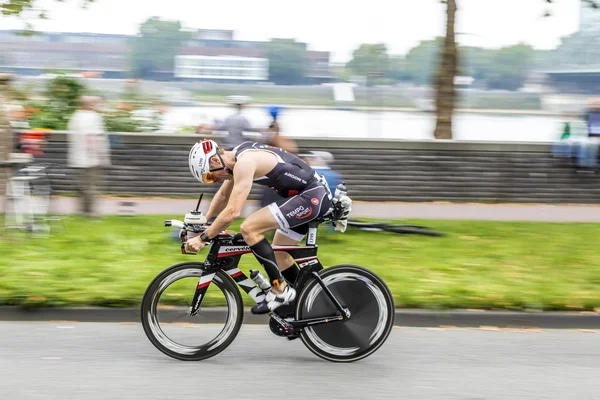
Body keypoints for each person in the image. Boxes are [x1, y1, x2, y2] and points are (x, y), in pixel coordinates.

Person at [185, 139, 332, 314]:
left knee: (249, 228)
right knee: (279, 253)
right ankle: (301, 305)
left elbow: (232, 212)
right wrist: (205, 222)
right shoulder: (237, 156)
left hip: (311, 197)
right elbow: (223, 194)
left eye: (209, 176)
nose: (213, 180)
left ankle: (280, 290)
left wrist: (203, 238)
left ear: (215, 161)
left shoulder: (244, 163)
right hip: (306, 195)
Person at [66, 95, 111, 218]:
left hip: (76, 159)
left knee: (82, 186)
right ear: (90, 105)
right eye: (97, 103)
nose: (99, 105)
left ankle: (82, 211)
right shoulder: (93, 117)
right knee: (92, 186)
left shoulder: (75, 116)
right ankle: (91, 213)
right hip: (91, 159)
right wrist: (102, 157)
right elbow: (92, 137)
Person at [196, 95, 268, 150]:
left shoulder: (229, 118)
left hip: (228, 145)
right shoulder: (242, 119)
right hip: (240, 145)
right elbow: (251, 129)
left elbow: (219, 127)